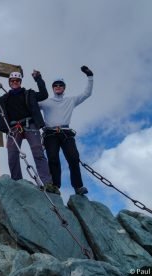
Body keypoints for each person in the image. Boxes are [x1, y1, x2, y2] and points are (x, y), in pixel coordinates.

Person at [0, 70, 59, 194]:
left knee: (38, 153)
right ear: (9, 83)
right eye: (12, 81)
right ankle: (17, 181)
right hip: (14, 128)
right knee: (12, 155)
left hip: (30, 124)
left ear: (20, 82)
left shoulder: (29, 93)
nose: (14, 82)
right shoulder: (4, 98)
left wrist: (38, 79)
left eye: (17, 81)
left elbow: (44, 94)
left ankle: (48, 183)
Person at [39, 66, 94, 195]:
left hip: (66, 132)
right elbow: (30, 105)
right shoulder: (45, 102)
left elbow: (87, 94)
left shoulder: (70, 101)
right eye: (55, 85)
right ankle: (54, 186)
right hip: (50, 133)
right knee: (53, 158)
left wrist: (90, 76)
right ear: (53, 88)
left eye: (60, 85)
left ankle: (78, 187)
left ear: (64, 88)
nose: (58, 86)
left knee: (74, 158)